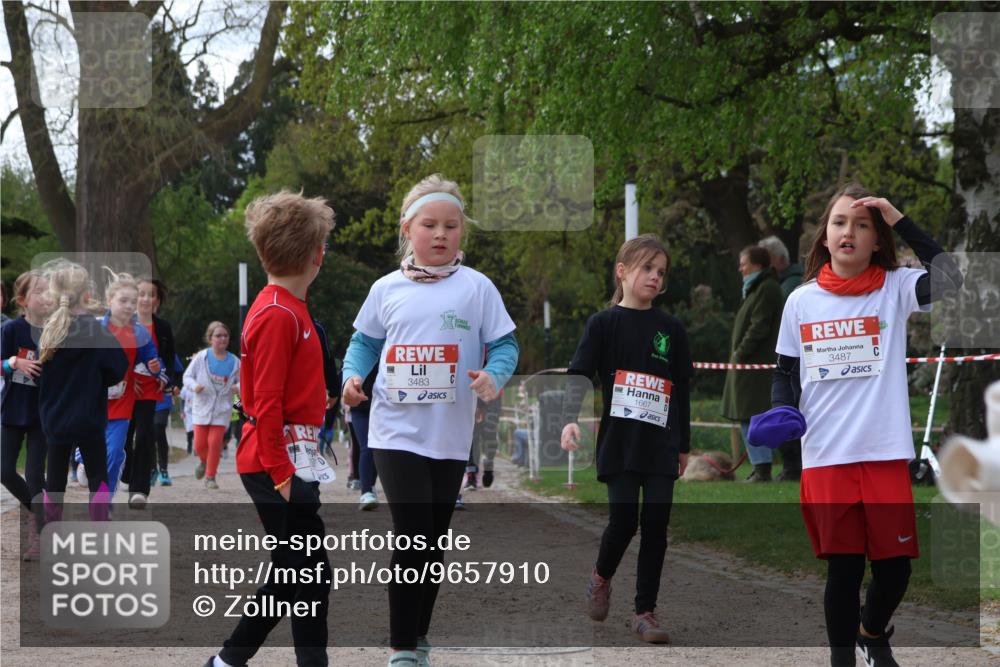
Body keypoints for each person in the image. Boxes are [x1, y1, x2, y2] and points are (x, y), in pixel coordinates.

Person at [772, 184, 963, 667]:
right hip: (827, 458)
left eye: (862, 225)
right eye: (839, 222)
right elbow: (785, 373)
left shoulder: (896, 288)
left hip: (883, 454)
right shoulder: (800, 301)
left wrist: (897, 217)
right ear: (826, 234)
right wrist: (780, 414)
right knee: (843, 571)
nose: (849, 232)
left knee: (895, 573)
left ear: (877, 239)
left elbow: (951, 277)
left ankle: (872, 632)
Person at [342, 174, 518, 667]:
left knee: (434, 540)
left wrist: (494, 375)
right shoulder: (386, 288)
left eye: (451, 226)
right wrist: (353, 377)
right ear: (408, 228)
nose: (440, 234)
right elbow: (364, 343)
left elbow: (505, 344)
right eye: (430, 225)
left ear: (462, 232)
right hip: (394, 430)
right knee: (413, 531)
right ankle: (401, 646)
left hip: (450, 434)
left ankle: (418, 636)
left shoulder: (478, 288)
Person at [205, 190, 335, 667]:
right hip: (275, 465)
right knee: (307, 578)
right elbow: (267, 402)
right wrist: (283, 475)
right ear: (317, 255)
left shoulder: (283, 305)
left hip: (283, 460)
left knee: (296, 579)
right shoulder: (279, 314)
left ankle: (225, 662)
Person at [560, 233, 692, 644]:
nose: (655, 278)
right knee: (623, 521)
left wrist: (683, 444)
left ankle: (645, 612)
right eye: (646, 268)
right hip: (620, 443)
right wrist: (570, 420)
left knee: (655, 524)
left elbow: (682, 390)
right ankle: (601, 578)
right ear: (622, 271)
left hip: (661, 444)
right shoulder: (602, 324)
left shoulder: (670, 328)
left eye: (661, 272)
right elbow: (579, 374)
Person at [36, 260, 128, 522]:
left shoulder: (49, 330)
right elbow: (118, 367)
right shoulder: (97, 331)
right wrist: (100, 380)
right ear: (86, 293)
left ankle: (49, 531)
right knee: (98, 475)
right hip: (89, 414)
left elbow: (40, 372)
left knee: (54, 478)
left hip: (55, 415)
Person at [95, 268, 166, 504]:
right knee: (91, 450)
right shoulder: (95, 329)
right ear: (109, 300)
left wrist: (156, 367)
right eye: (123, 300)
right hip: (93, 402)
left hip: (122, 402)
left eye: (132, 302)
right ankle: (81, 457)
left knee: (115, 453)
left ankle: (103, 500)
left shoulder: (139, 333)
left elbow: (153, 361)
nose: (129, 306)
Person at [721, 245, 783, 482]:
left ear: (757, 265)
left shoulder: (765, 289)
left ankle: (762, 468)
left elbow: (759, 326)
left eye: (743, 263)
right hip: (749, 366)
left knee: (751, 416)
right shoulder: (758, 288)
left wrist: (739, 354)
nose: (740, 268)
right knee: (749, 416)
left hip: (754, 367)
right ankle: (760, 466)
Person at [1, 270, 52, 558]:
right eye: (38, 292)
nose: (46, 297)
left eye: (49, 291)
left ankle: (39, 536)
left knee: (35, 476)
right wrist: (14, 362)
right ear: (22, 300)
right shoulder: (11, 330)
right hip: (12, 409)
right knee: (4, 470)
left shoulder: (56, 331)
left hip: (43, 414)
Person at [122, 277, 178, 504]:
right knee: (125, 436)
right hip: (125, 388)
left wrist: (169, 381)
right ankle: (127, 471)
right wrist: (125, 377)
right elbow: (113, 356)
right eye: (141, 294)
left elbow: (169, 359)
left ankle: (139, 490)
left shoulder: (163, 327)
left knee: (145, 435)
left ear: (157, 300)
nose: (146, 299)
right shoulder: (123, 323)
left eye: (151, 294)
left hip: (150, 389)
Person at [759, 235, 805, 480]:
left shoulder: (790, 289)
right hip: (785, 358)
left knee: (788, 410)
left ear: (778, 259)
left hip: (791, 361)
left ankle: (792, 466)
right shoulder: (786, 285)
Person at [183, 321, 240, 490]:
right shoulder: (202, 357)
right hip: (201, 406)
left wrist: (238, 388)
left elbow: (245, 382)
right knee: (200, 445)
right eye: (218, 335)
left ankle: (210, 477)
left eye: (225, 335)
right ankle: (202, 461)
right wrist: (195, 387)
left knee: (215, 443)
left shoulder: (235, 362)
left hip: (222, 409)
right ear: (210, 339)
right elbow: (187, 377)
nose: (222, 338)